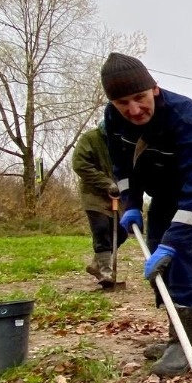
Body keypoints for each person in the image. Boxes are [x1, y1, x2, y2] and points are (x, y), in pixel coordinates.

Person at [101, 53, 192, 377]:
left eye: (139, 98)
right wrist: (131, 202)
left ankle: (184, 343)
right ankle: (183, 336)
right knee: (158, 248)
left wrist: (175, 241)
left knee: (181, 249)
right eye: (123, 103)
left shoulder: (184, 116)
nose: (133, 110)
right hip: (164, 190)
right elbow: (121, 168)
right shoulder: (113, 120)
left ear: (154, 90)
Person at [72, 122, 124, 288]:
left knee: (121, 232)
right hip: (93, 193)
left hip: (118, 194)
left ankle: (97, 264)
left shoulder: (124, 139)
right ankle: (106, 272)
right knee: (101, 229)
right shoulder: (89, 139)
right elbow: (80, 165)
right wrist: (105, 183)